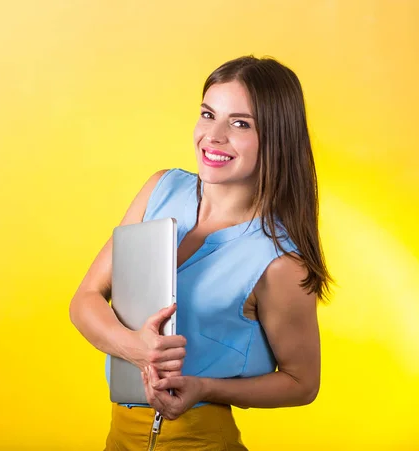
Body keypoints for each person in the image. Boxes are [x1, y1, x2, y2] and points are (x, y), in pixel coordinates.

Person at [69, 55, 332, 450]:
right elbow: (84, 300)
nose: (214, 135)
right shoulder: (160, 190)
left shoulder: (279, 261)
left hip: (200, 440)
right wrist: (135, 348)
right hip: (119, 436)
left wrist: (206, 387)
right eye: (208, 114)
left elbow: (301, 383)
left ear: (277, 138)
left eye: (240, 123)